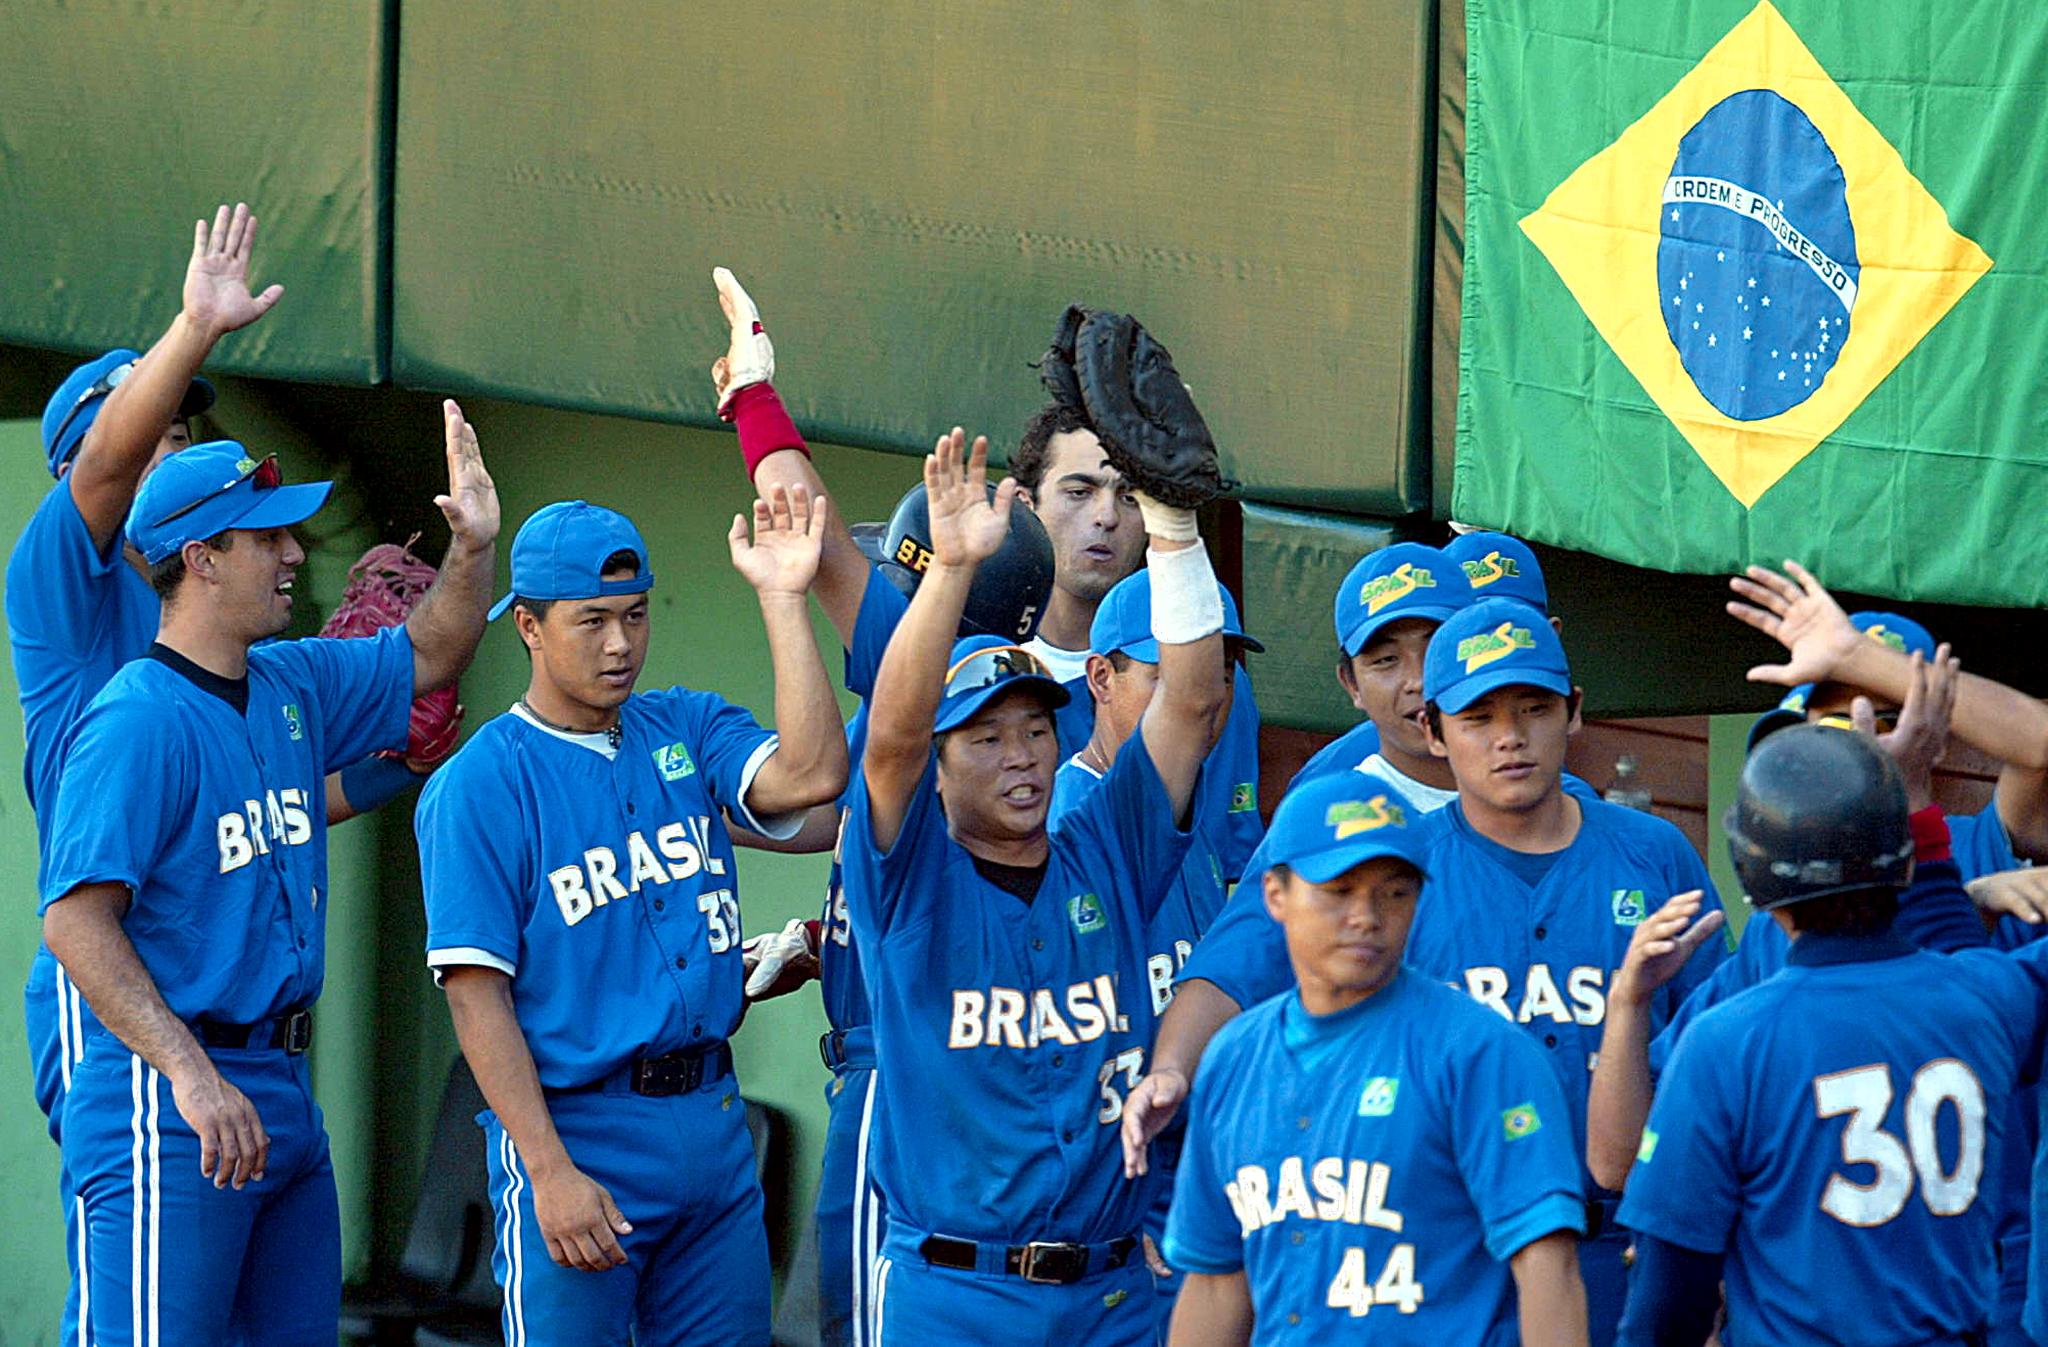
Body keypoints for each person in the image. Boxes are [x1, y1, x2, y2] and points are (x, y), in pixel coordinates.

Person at [7, 203, 438, 1345]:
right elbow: (106, 466)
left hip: (238, 1015)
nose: (177, 438)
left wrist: (396, 761)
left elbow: (281, 815)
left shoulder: (243, 656)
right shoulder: (61, 576)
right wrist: (195, 328)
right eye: (157, 424)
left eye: (185, 419)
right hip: (123, 1000)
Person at [38, 407, 497, 1346]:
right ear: (201, 556)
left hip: (281, 1085)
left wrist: (473, 546)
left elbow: (433, 649)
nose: (294, 552)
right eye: (269, 535)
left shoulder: (290, 681)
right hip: (171, 1102)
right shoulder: (135, 721)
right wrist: (193, 1077)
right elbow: (76, 925)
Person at [414, 491, 847, 1345]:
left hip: (712, 1121)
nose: (620, 644)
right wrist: (547, 1171)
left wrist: (783, 599)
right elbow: (476, 999)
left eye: (635, 615)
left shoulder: (681, 723)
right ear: (528, 627)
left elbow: (812, 778)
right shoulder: (482, 783)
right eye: (591, 621)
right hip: (580, 1129)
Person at [844, 428, 1229, 1343]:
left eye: (1035, 730)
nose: (1020, 757)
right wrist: (949, 572)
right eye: (985, 737)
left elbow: (1195, 701)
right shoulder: (909, 879)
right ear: (940, 768)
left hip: (1110, 1295)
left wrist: (1173, 525)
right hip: (957, 1297)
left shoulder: (1108, 849)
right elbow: (891, 742)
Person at [1616, 725, 2047, 1347]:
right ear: (1903, 862)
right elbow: (1954, 954)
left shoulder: (1726, 1042)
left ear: (1753, 877)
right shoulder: (1989, 994)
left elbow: (1668, 1302)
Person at [1163, 771, 1589, 1347]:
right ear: (1275, 895)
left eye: (1394, 891)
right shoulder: (1233, 1059)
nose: (1367, 916)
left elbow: (1549, 1272)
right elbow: (1216, 1284)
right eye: (1338, 890)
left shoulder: (1481, 1053)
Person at [1048, 567, 1262, 1336]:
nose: (1205, 694)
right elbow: (1057, 1045)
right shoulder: (1067, 821)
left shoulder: (1198, 811)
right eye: (1172, 673)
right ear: (1100, 677)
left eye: (1221, 669)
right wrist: (1107, 1204)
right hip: (1122, 1194)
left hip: (1200, 1179)